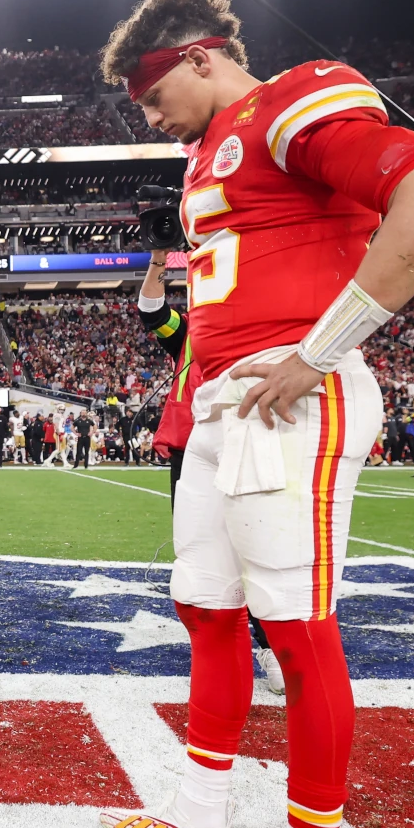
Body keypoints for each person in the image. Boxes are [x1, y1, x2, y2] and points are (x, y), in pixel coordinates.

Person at [90, 0, 414, 828]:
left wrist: (322, 349)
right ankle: (201, 813)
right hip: (225, 401)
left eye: (150, 98)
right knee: (206, 606)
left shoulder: (293, 98)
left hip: (292, 393)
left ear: (199, 54)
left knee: (297, 633)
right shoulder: (205, 158)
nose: (151, 119)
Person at [138, 247, 284, 696]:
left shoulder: (265, 330)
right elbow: (150, 309)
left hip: (251, 438)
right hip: (191, 447)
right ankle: (221, 646)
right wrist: (159, 259)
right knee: (201, 552)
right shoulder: (187, 333)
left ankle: (268, 644)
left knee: (257, 548)